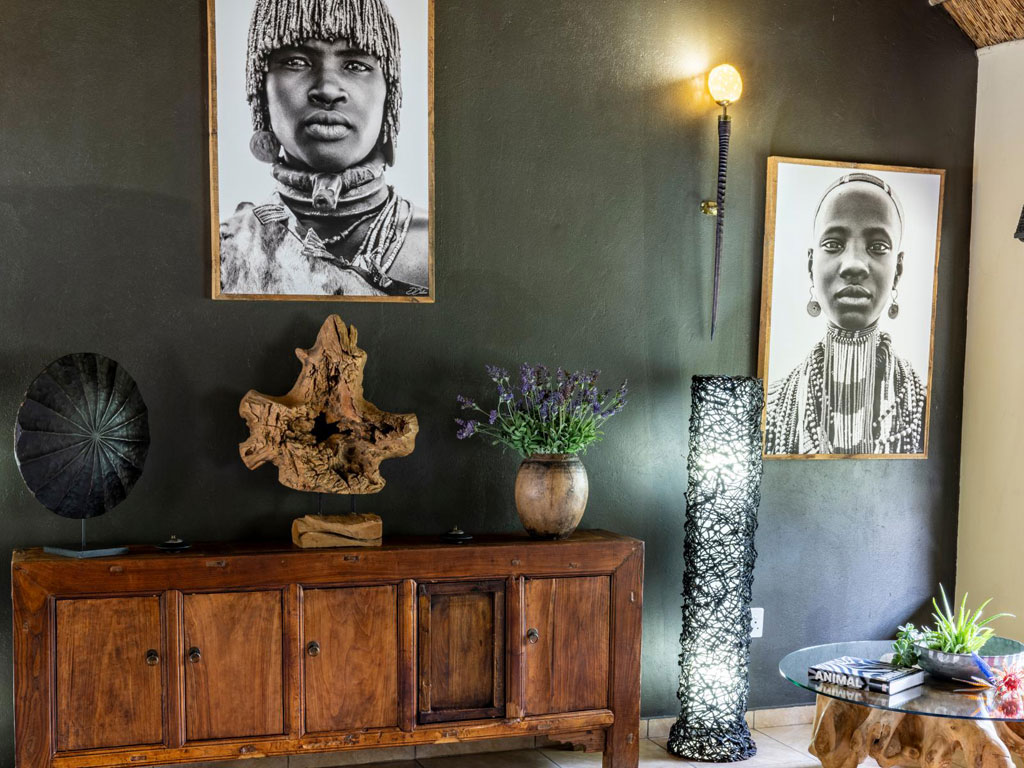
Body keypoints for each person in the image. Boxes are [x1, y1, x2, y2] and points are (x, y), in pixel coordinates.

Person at [219, 0, 428, 297]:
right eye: (296, 62)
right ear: (260, 90)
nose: (328, 90)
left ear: (389, 95)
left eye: (356, 65)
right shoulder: (223, 252)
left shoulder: (442, 247)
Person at [764, 172, 926, 455]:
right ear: (811, 265)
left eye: (878, 247)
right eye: (833, 245)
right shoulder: (772, 408)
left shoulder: (923, 408)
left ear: (898, 270)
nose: (854, 265)